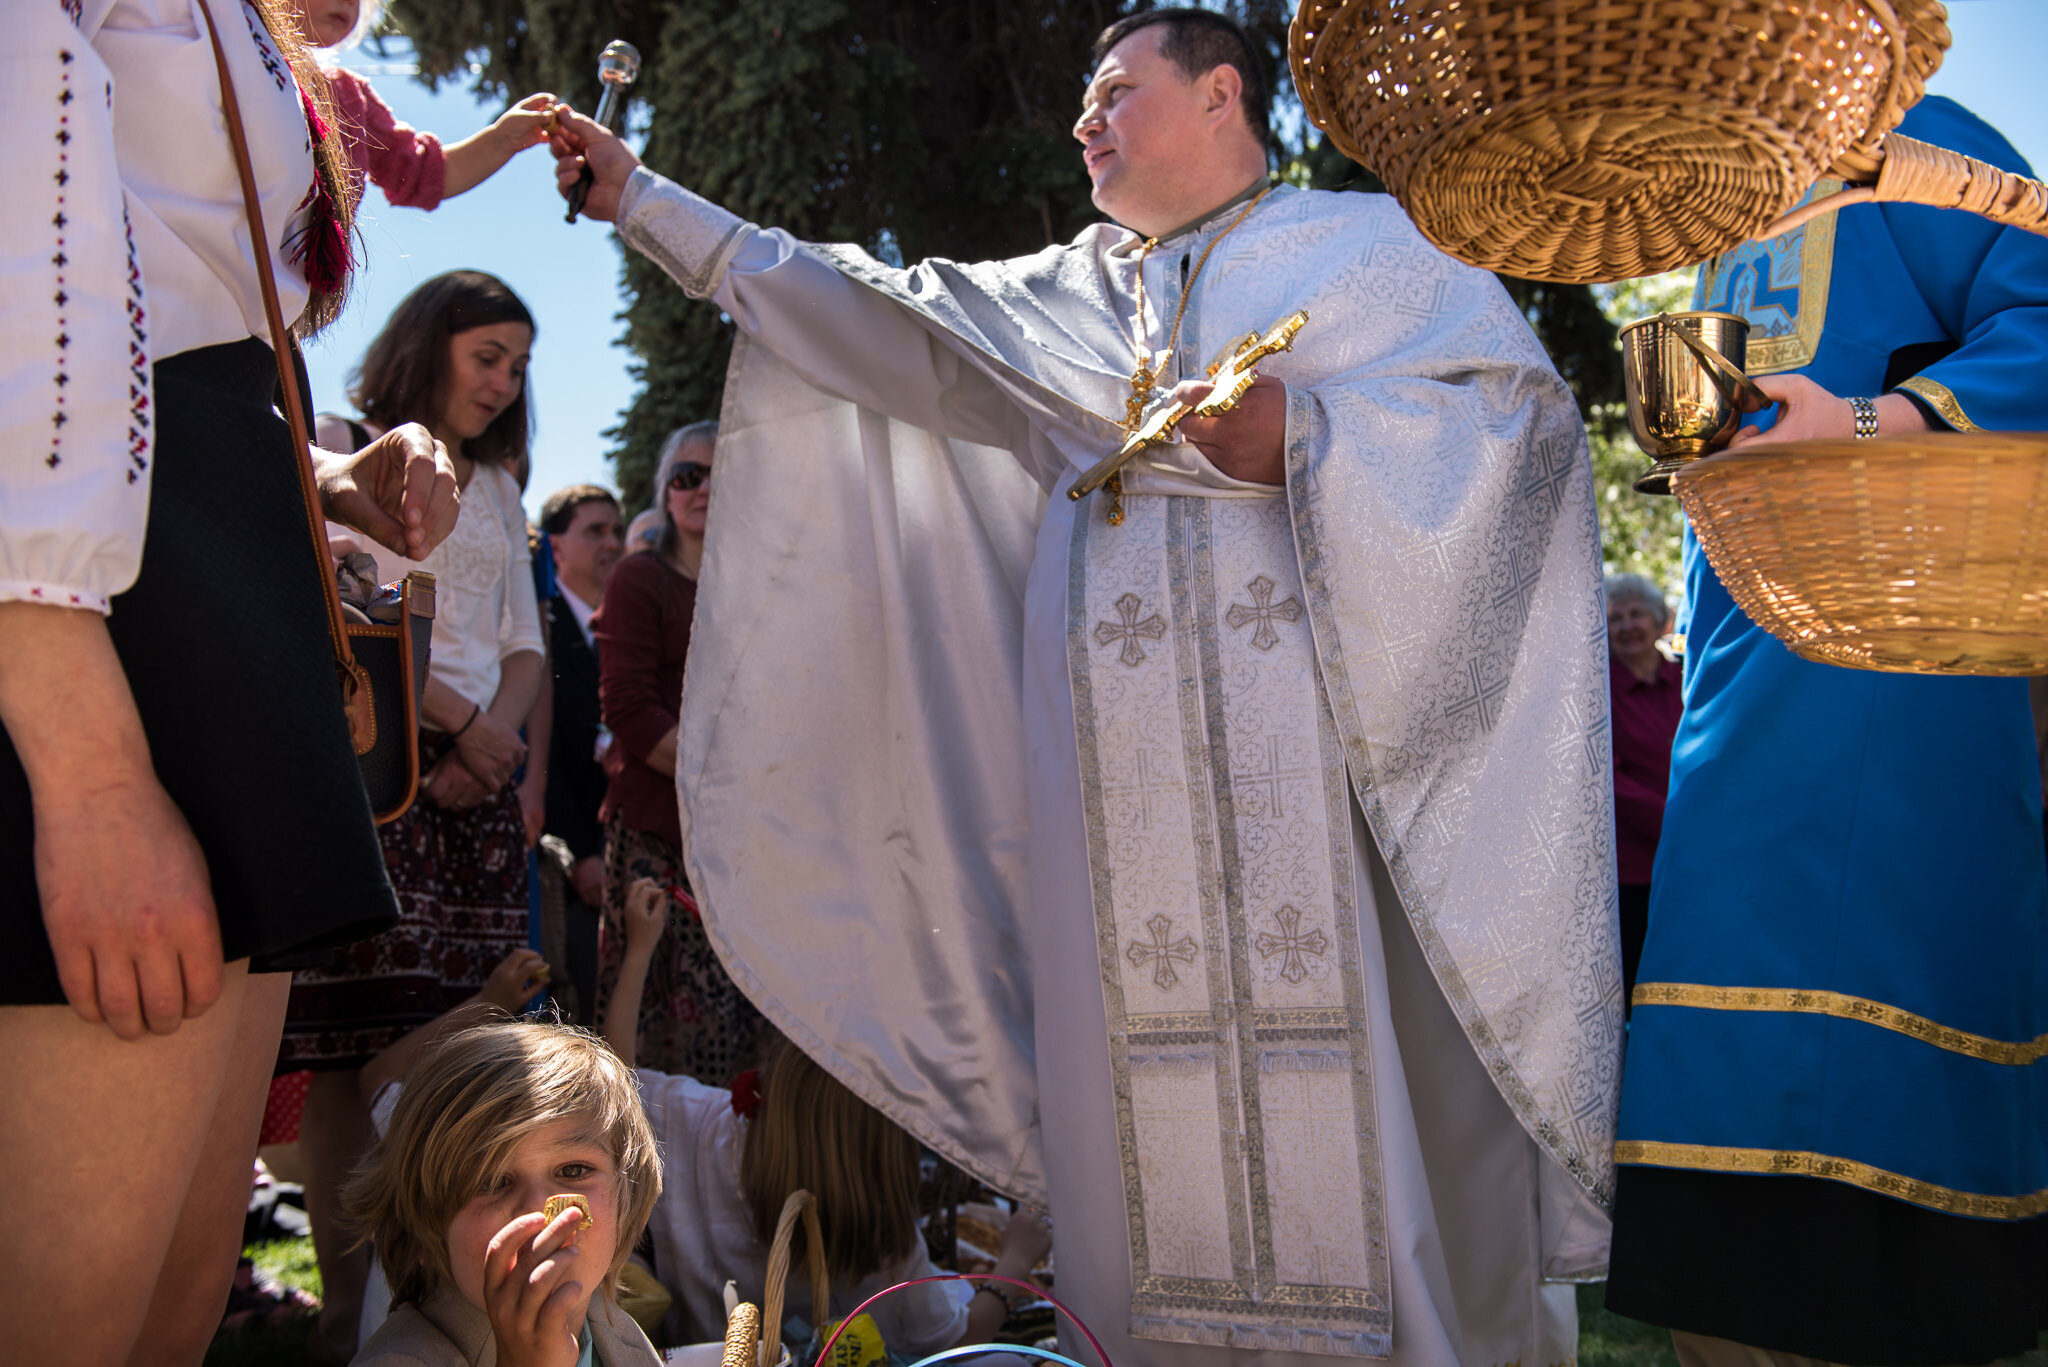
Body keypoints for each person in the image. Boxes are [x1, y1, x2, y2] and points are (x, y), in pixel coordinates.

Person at [551, 9, 1621, 1364]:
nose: (1083, 119)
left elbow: (1522, 435)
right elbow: (866, 310)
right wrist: (645, 201)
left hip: (1330, 793)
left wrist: (1309, 431)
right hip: (1117, 813)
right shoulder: (1071, 294)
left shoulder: (1376, 249)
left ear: (1223, 92)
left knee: (1360, 1111)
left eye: (1116, 89)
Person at [0, 4, 457, 1363]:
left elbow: (173, 318)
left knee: (171, 1300)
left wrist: (326, 476)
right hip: (96, 608)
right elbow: (22, 277)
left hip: (214, 564)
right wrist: (84, 763)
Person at [1605, 95, 2048, 1366]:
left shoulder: (1913, 137)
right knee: (1716, 1246)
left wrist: (1870, 420)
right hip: (1728, 705)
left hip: (1895, 686)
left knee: (1863, 1244)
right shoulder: (1720, 190)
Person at [282, 269, 548, 1364]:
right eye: (487, 354)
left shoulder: (495, 486)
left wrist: (496, 741)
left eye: (519, 366)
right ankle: (345, 1317)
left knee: (460, 1052)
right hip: (375, 777)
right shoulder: (345, 440)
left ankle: (440, 1311)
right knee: (354, 1053)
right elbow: (330, 597)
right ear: (431, 343)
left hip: (477, 800)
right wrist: (445, 722)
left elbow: (525, 642)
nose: (502, 381)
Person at [604, 878, 1053, 1352]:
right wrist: (1014, 1263)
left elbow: (616, 1083)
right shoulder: (881, 1224)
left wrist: (640, 951)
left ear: (780, 1070)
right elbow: (957, 1340)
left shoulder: (708, 1129)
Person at [590, 425, 766, 1084]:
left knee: (747, 1021)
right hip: (661, 837)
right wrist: (725, 785)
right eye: (686, 475)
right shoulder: (640, 577)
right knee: (662, 1034)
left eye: (720, 474)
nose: (703, 488)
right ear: (666, 493)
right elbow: (630, 709)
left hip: (751, 838)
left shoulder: (761, 584)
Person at [343, 1019, 664, 1367]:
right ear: (422, 1223)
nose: (538, 1212)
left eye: (573, 1171)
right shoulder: (399, 1361)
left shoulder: (620, 1339)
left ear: (626, 1200)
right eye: (493, 1182)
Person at [294, 0, 558, 214]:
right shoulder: (251, 68)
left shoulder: (347, 94)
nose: (351, 3)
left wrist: (502, 139)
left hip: (308, 279)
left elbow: (418, 172)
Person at [537, 484, 624, 1017]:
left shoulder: (625, 629)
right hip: (567, 867)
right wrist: (582, 853)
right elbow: (542, 750)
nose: (612, 543)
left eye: (616, 530)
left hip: (624, 858)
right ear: (555, 548)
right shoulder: (539, 630)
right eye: (595, 531)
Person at [1604, 573, 1682, 1011]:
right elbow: (1610, 783)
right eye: (1615, 618)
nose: (1627, 625)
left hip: (1694, 860)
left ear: (1657, 621)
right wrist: (1675, 821)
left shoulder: (1687, 679)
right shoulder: (1598, 690)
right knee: (1641, 988)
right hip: (1634, 872)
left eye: (1636, 614)